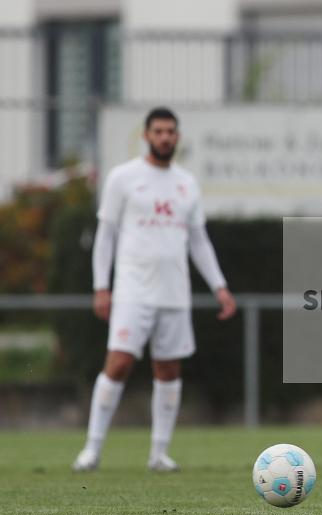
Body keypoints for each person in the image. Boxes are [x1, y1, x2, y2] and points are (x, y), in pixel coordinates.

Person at [72, 107, 236, 473]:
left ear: (177, 137)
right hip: (132, 290)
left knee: (169, 369)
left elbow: (198, 241)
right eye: (158, 131)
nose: (164, 137)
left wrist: (219, 286)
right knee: (119, 362)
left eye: (170, 131)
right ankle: (91, 450)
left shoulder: (186, 183)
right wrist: (101, 286)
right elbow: (106, 235)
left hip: (174, 292)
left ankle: (158, 454)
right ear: (146, 135)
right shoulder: (123, 178)